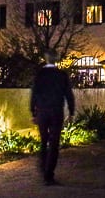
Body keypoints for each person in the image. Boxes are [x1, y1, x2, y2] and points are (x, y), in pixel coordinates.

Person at [30, 49, 75, 185]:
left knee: (44, 141)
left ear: (46, 58)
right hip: (56, 111)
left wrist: (33, 111)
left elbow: (34, 94)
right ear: (57, 59)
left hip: (42, 111)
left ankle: (43, 168)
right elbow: (68, 94)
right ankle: (49, 175)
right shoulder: (61, 75)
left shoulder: (40, 74)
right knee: (54, 143)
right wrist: (71, 112)